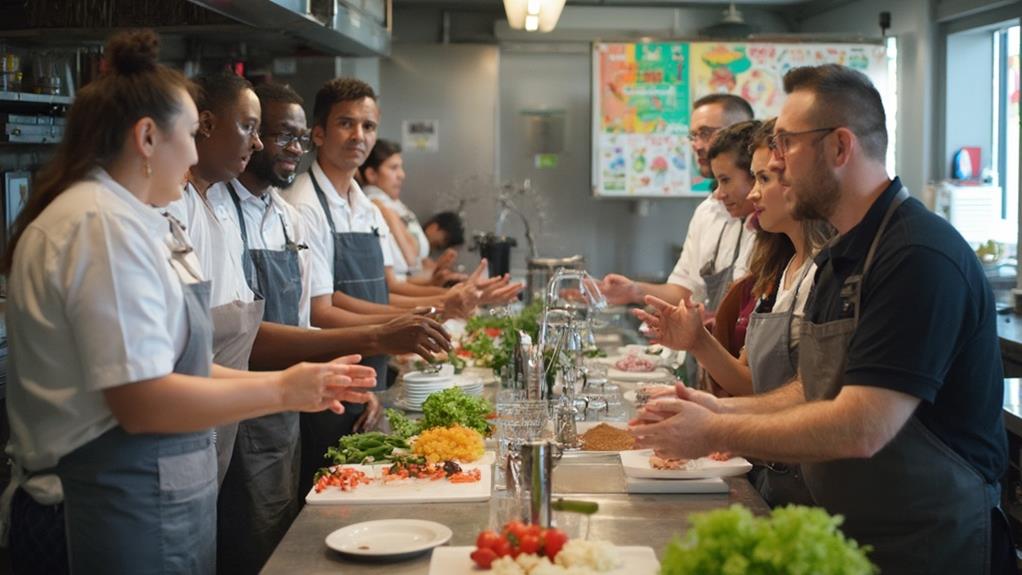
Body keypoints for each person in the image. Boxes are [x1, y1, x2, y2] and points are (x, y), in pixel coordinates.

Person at [1, 30, 375, 575]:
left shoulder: (139, 219)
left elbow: (183, 367)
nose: (198, 152)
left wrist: (302, 381)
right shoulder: (99, 226)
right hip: (96, 509)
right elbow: (143, 400)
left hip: (152, 496)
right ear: (148, 137)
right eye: (190, 134)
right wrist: (279, 388)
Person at [631, 64, 1014, 574]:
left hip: (927, 545)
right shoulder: (844, 255)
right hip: (854, 537)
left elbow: (862, 425)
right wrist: (720, 411)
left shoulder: (916, 256)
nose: (777, 162)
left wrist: (716, 434)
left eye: (788, 143)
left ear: (839, 147)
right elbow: (814, 389)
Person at [635, 118, 833, 507]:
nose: (752, 194)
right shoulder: (778, 269)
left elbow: (814, 398)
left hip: (813, 485)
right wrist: (697, 342)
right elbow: (749, 382)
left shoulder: (827, 271)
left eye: (764, 179)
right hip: (774, 477)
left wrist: (718, 423)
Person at [601, 94, 756, 312]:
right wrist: (633, 291)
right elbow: (685, 291)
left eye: (705, 133)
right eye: (693, 136)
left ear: (740, 133)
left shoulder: (771, 221)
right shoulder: (707, 211)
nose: (697, 145)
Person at [360, 139, 428, 281]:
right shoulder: (376, 204)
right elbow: (411, 258)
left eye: (400, 167)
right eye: (393, 168)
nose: (401, 175)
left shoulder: (391, 202)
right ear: (371, 174)